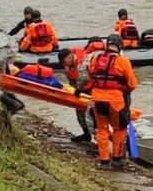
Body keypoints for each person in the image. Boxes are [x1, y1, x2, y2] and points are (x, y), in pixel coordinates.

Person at [79, 34, 138, 169]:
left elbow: (90, 77)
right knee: (119, 130)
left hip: (97, 100)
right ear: (119, 46)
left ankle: (104, 161)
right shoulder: (122, 61)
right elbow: (132, 83)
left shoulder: (96, 59)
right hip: (115, 101)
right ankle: (117, 159)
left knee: (101, 130)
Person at [57, 47, 92, 143]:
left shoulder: (82, 62)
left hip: (92, 89)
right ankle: (86, 134)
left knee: (95, 113)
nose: (65, 65)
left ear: (70, 57)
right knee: (79, 111)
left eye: (65, 62)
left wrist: (77, 90)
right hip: (81, 90)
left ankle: (105, 138)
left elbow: (83, 78)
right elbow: (72, 82)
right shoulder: (68, 67)